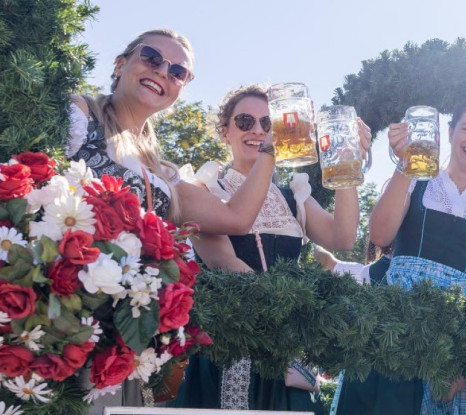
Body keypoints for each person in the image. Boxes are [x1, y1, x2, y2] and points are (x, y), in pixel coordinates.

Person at [66, 29, 275, 413]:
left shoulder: (159, 168)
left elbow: (235, 217)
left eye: (178, 71)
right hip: (63, 316)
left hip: (128, 333)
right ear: (120, 63)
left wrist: (271, 150)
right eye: (151, 57)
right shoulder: (80, 114)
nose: (163, 71)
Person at [169, 84, 370, 413]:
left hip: (285, 359)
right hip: (229, 348)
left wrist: (347, 161)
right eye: (246, 121)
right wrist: (300, 318)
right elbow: (224, 263)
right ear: (225, 131)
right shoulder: (206, 188)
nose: (259, 131)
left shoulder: (292, 195)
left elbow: (344, 239)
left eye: (269, 123)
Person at [347, 99, 466, 415]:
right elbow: (380, 236)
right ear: (449, 133)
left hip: (454, 338)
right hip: (393, 324)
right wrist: (404, 164)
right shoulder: (415, 178)